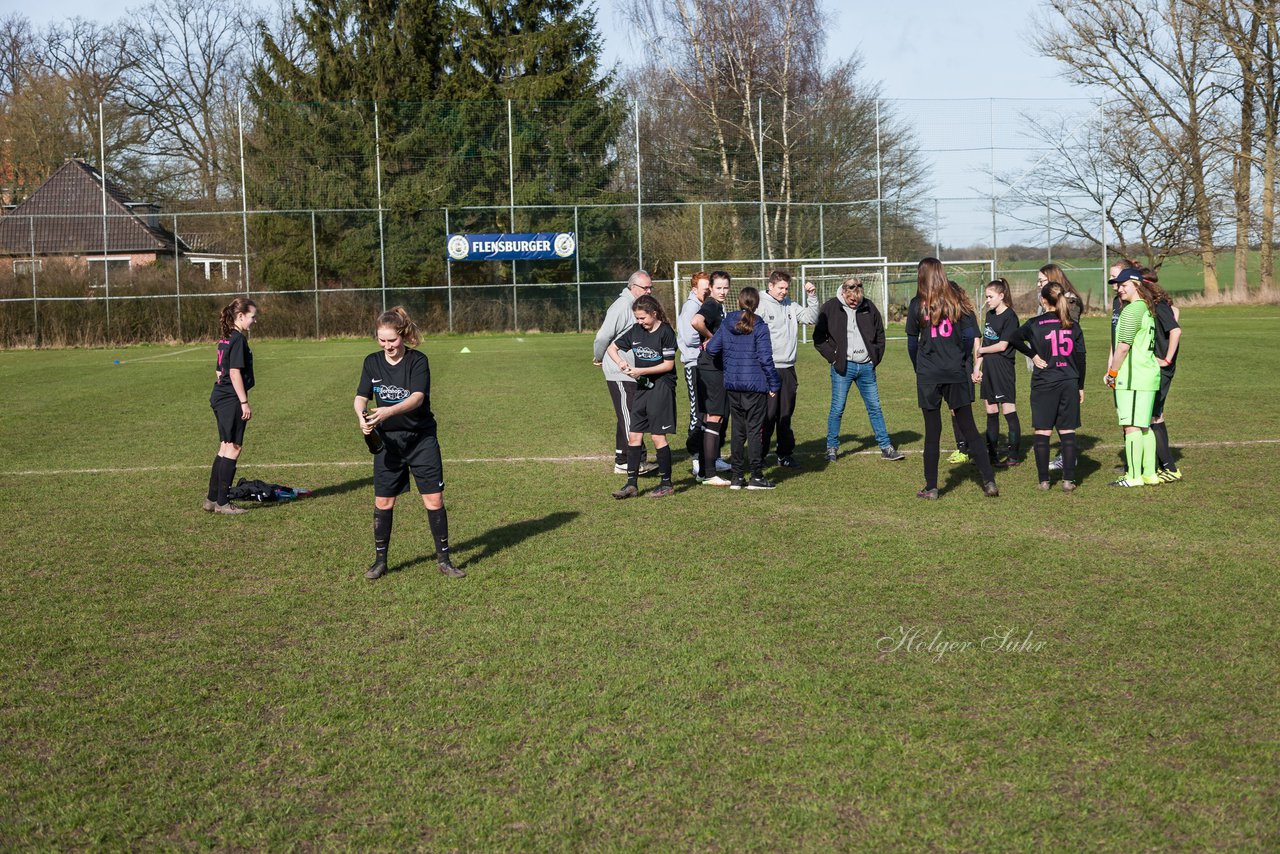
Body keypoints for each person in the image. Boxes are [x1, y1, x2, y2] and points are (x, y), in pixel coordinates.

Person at [355, 306, 463, 580]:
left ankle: (444, 560)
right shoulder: (371, 362)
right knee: (384, 501)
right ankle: (380, 561)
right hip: (389, 444)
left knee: (434, 499)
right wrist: (361, 416)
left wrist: (387, 411)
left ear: (403, 336)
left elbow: (417, 398)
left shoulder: (418, 361)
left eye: (392, 340)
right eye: (382, 340)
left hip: (421, 440)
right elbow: (361, 397)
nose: (387, 346)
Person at [905, 258, 998, 499]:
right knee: (969, 428)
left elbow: (912, 343)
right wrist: (960, 356)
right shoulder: (957, 302)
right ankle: (989, 482)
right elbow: (969, 337)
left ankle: (932, 487)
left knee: (932, 430)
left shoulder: (917, 304)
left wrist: (920, 367)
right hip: (955, 371)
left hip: (929, 374)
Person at [812, 276, 905, 463]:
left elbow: (880, 335)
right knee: (837, 408)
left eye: (858, 299)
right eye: (851, 299)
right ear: (844, 292)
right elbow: (819, 338)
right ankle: (831, 448)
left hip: (866, 367)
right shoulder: (830, 307)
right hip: (842, 368)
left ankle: (886, 447)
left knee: (875, 408)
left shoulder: (869, 307)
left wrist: (874, 358)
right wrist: (834, 357)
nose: (855, 302)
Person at [1010, 282, 1086, 491]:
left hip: (1044, 383)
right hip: (1069, 382)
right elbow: (1081, 358)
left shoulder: (1035, 323)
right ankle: (1068, 481)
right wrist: (1080, 386)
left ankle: (1044, 481)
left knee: (1043, 432)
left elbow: (1014, 338)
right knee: (1067, 431)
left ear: (1043, 300)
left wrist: (1032, 355)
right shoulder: (1072, 324)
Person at [605, 294, 679, 499]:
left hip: (661, 387)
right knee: (634, 435)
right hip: (642, 388)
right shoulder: (636, 330)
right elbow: (612, 348)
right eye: (637, 318)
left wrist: (640, 371)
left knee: (657, 436)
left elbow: (668, 365)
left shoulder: (665, 332)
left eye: (643, 318)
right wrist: (621, 363)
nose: (640, 322)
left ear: (653, 314)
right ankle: (631, 484)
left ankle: (666, 483)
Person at [706, 287, 780, 489]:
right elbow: (766, 359)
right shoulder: (760, 326)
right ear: (757, 304)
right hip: (755, 386)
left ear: (738, 302)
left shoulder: (727, 322)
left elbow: (712, 349)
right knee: (755, 431)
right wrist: (774, 384)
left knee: (738, 431)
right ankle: (756, 476)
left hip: (733, 384)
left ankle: (737, 476)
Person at [593, 270, 656, 476]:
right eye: (645, 288)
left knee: (627, 414)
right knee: (631, 416)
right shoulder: (622, 306)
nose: (649, 291)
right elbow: (603, 335)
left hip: (633, 372)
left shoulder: (639, 306)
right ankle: (635, 462)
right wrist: (599, 356)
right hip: (619, 371)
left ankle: (622, 459)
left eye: (650, 287)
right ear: (633, 287)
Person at [1105, 267, 1162, 487]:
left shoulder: (1131, 311)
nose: (1119, 289)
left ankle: (1134, 476)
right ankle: (1150, 474)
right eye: (1118, 285)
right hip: (1147, 375)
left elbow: (1123, 347)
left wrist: (1112, 373)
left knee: (1131, 427)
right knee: (1145, 426)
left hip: (1133, 377)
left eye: (1123, 284)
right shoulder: (1146, 309)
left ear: (1136, 284)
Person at [758, 270, 819, 467]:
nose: (784, 292)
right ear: (770, 286)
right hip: (767, 369)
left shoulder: (791, 305)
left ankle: (784, 455)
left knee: (785, 414)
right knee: (767, 415)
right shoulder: (760, 305)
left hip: (788, 369)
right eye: (780, 288)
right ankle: (759, 455)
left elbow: (811, 317)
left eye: (786, 288)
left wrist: (812, 296)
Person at [205, 297, 258, 515]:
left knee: (224, 447)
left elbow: (219, 371)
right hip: (230, 399)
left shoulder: (225, 338)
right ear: (240, 316)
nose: (254, 321)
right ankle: (222, 503)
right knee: (233, 448)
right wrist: (243, 402)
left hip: (220, 395)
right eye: (252, 317)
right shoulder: (238, 339)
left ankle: (212, 499)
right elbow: (234, 372)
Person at [973, 278, 1022, 467]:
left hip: (1003, 368)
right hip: (989, 369)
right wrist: (977, 367)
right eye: (986, 297)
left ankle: (1013, 456)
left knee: (1008, 409)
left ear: (1001, 296)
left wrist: (982, 351)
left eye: (990, 297)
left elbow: (1002, 345)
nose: (987, 300)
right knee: (990, 410)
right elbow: (986, 342)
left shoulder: (1010, 317)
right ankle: (992, 456)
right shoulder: (990, 315)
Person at [692, 271, 734, 486]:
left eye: (726, 287)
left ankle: (703, 471)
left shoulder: (718, 306)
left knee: (709, 418)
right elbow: (696, 321)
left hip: (709, 367)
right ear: (710, 288)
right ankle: (709, 474)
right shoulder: (712, 305)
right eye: (719, 287)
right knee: (714, 417)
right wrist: (713, 338)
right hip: (711, 369)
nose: (723, 291)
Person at [1143, 270, 1183, 481]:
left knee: (1153, 414)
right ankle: (1159, 465)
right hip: (1151, 366)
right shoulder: (1153, 306)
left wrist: (1166, 359)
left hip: (1160, 368)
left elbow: (1175, 331)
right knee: (1151, 414)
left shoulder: (1159, 306)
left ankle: (1169, 467)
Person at [677, 271, 712, 475]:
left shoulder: (703, 305)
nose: (707, 291)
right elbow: (689, 337)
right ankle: (696, 459)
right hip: (694, 364)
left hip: (706, 364)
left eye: (709, 287)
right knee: (697, 412)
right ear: (694, 289)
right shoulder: (691, 306)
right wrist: (711, 337)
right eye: (704, 288)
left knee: (710, 411)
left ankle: (710, 457)